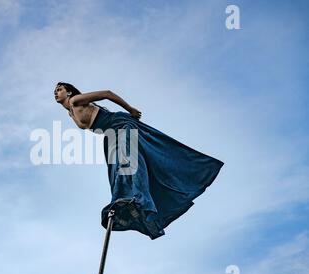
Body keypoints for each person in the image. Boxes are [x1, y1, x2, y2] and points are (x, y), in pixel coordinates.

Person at [54, 82, 224, 239]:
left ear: (69, 92)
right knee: (116, 168)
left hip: (121, 124)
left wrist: (130, 109)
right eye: (55, 90)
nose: (56, 92)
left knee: (130, 161)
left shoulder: (76, 100)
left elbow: (107, 93)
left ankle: (139, 198)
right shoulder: (71, 113)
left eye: (59, 89)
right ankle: (122, 198)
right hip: (110, 135)